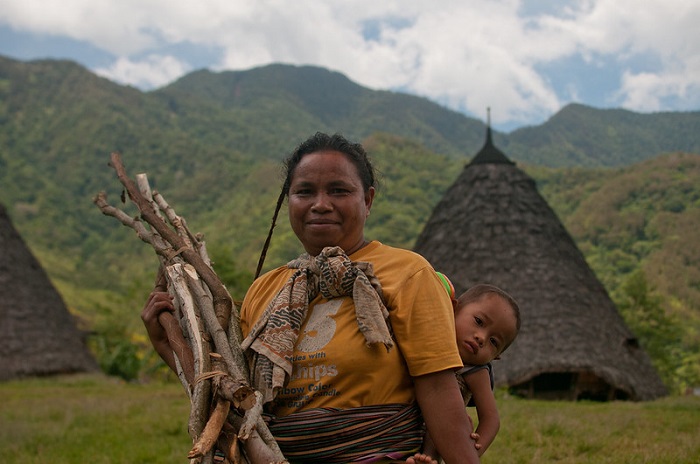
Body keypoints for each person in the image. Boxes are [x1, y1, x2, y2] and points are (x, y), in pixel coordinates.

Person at [142, 132, 479, 464]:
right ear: (289, 201)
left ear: (368, 200)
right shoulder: (264, 290)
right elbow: (233, 393)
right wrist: (165, 343)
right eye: (304, 192)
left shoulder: (408, 274)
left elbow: (438, 388)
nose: (320, 204)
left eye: (339, 190)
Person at [408, 279, 520, 464]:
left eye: (493, 342)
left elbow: (491, 418)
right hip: (401, 420)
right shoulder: (428, 338)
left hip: (435, 433)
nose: (481, 337)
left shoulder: (475, 371)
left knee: (451, 419)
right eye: (479, 321)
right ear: (453, 308)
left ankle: (429, 458)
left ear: (496, 356)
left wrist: (473, 450)